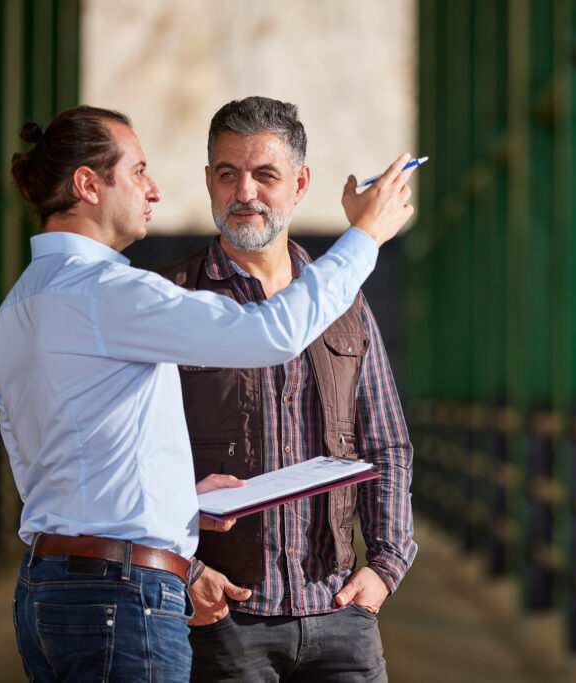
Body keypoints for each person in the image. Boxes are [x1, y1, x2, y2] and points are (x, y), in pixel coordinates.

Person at [0, 104, 417, 682]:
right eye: (138, 171)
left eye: (265, 174)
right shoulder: (117, 295)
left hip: (53, 588)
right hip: (129, 597)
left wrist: (179, 500)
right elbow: (273, 333)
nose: (153, 189)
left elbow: (62, 464)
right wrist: (365, 235)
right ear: (88, 185)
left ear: (298, 183)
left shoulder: (18, 306)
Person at [159, 97, 416, 682]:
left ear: (300, 184)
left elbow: (388, 445)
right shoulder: (168, 302)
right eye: (228, 174)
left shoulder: (345, 302)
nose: (244, 191)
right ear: (207, 182)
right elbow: (130, 456)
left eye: (265, 175)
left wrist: (386, 565)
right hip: (222, 614)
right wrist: (184, 570)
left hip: (341, 613)